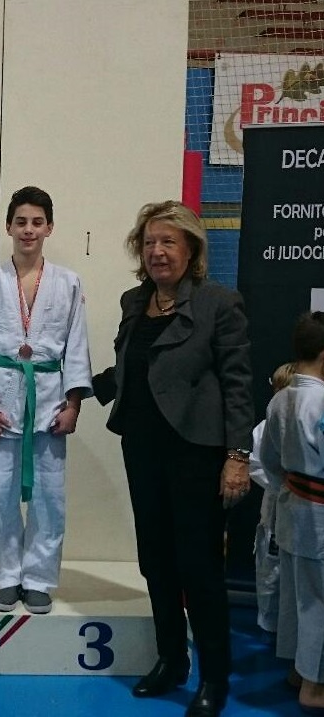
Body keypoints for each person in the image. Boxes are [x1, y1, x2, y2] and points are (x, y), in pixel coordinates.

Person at [92, 200, 253, 717]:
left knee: (199, 567)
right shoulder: (133, 301)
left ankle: (214, 678)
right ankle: (171, 661)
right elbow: (128, 369)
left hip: (196, 453)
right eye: (149, 243)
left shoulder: (217, 304)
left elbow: (237, 385)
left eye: (168, 242)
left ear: (191, 249)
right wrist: (74, 391)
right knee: (155, 559)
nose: (157, 251)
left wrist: (238, 456)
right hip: (142, 447)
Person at [0, 185, 92, 615]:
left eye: (37, 222)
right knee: (0, 496)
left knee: (49, 498)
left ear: (49, 227)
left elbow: (77, 346)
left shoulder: (68, 282)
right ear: (8, 227)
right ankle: (6, 577)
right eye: (21, 222)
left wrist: (74, 404)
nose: (28, 230)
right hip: (1, 399)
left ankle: (38, 578)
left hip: (50, 401)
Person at [258, 311, 324, 714]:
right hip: (319, 516)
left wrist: (291, 486)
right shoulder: (320, 401)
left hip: (293, 506)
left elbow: (269, 460)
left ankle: (299, 671)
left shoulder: (280, 398)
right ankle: (315, 686)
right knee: (319, 600)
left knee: (299, 594)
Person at [249, 362, 296, 634]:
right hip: (277, 508)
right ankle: (270, 626)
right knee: (270, 571)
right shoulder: (265, 427)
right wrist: (282, 485)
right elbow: (256, 463)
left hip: (304, 506)